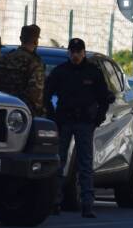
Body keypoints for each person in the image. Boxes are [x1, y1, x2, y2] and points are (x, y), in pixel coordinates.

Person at [44, 38, 110, 218]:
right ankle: (54, 201)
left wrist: (97, 118)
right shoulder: (61, 72)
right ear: (69, 53)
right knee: (58, 161)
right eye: (72, 52)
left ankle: (87, 204)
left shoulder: (93, 72)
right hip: (64, 121)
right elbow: (46, 94)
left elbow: (104, 98)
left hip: (84, 122)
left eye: (78, 52)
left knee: (85, 164)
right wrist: (53, 116)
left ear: (83, 52)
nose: (75, 55)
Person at [0, 25, 45, 116]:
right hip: (24, 110)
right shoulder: (34, 62)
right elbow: (35, 92)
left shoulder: (6, 57)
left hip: (3, 105)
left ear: (20, 39)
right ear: (36, 41)